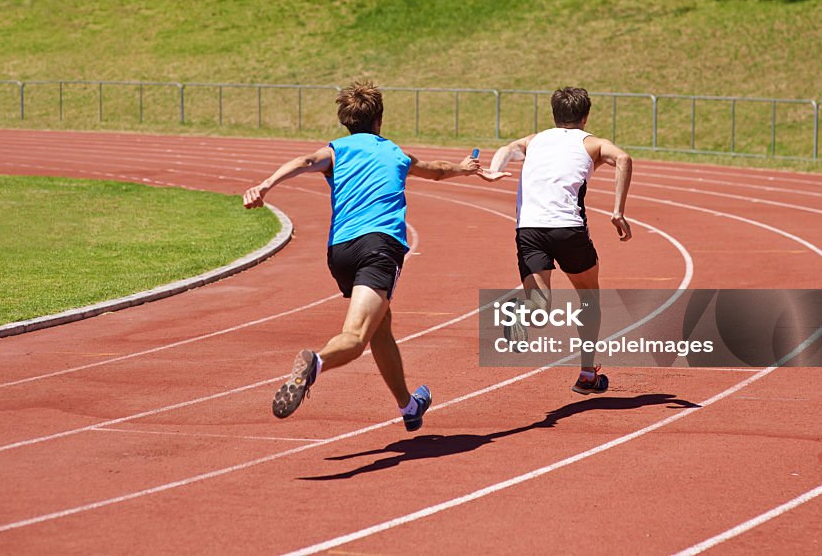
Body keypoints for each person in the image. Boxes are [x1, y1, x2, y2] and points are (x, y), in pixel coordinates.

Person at [243, 81, 503, 430]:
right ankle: (315, 364)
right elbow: (436, 170)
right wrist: (465, 168)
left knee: (381, 327)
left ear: (345, 121)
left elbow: (305, 161)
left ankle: (408, 406)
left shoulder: (337, 151)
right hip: (378, 248)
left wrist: (266, 185)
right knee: (355, 337)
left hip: (341, 252)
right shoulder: (395, 153)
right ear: (379, 119)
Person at [485, 86, 633, 395]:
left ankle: (518, 312)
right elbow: (623, 158)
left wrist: (493, 171)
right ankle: (587, 374)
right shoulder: (592, 142)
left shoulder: (535, 140)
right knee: (589, 299)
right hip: (568, 229)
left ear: (554, 115)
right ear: (585, 115)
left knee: (539, 310)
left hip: (529, 230)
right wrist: (618, 210)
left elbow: (508, 148)